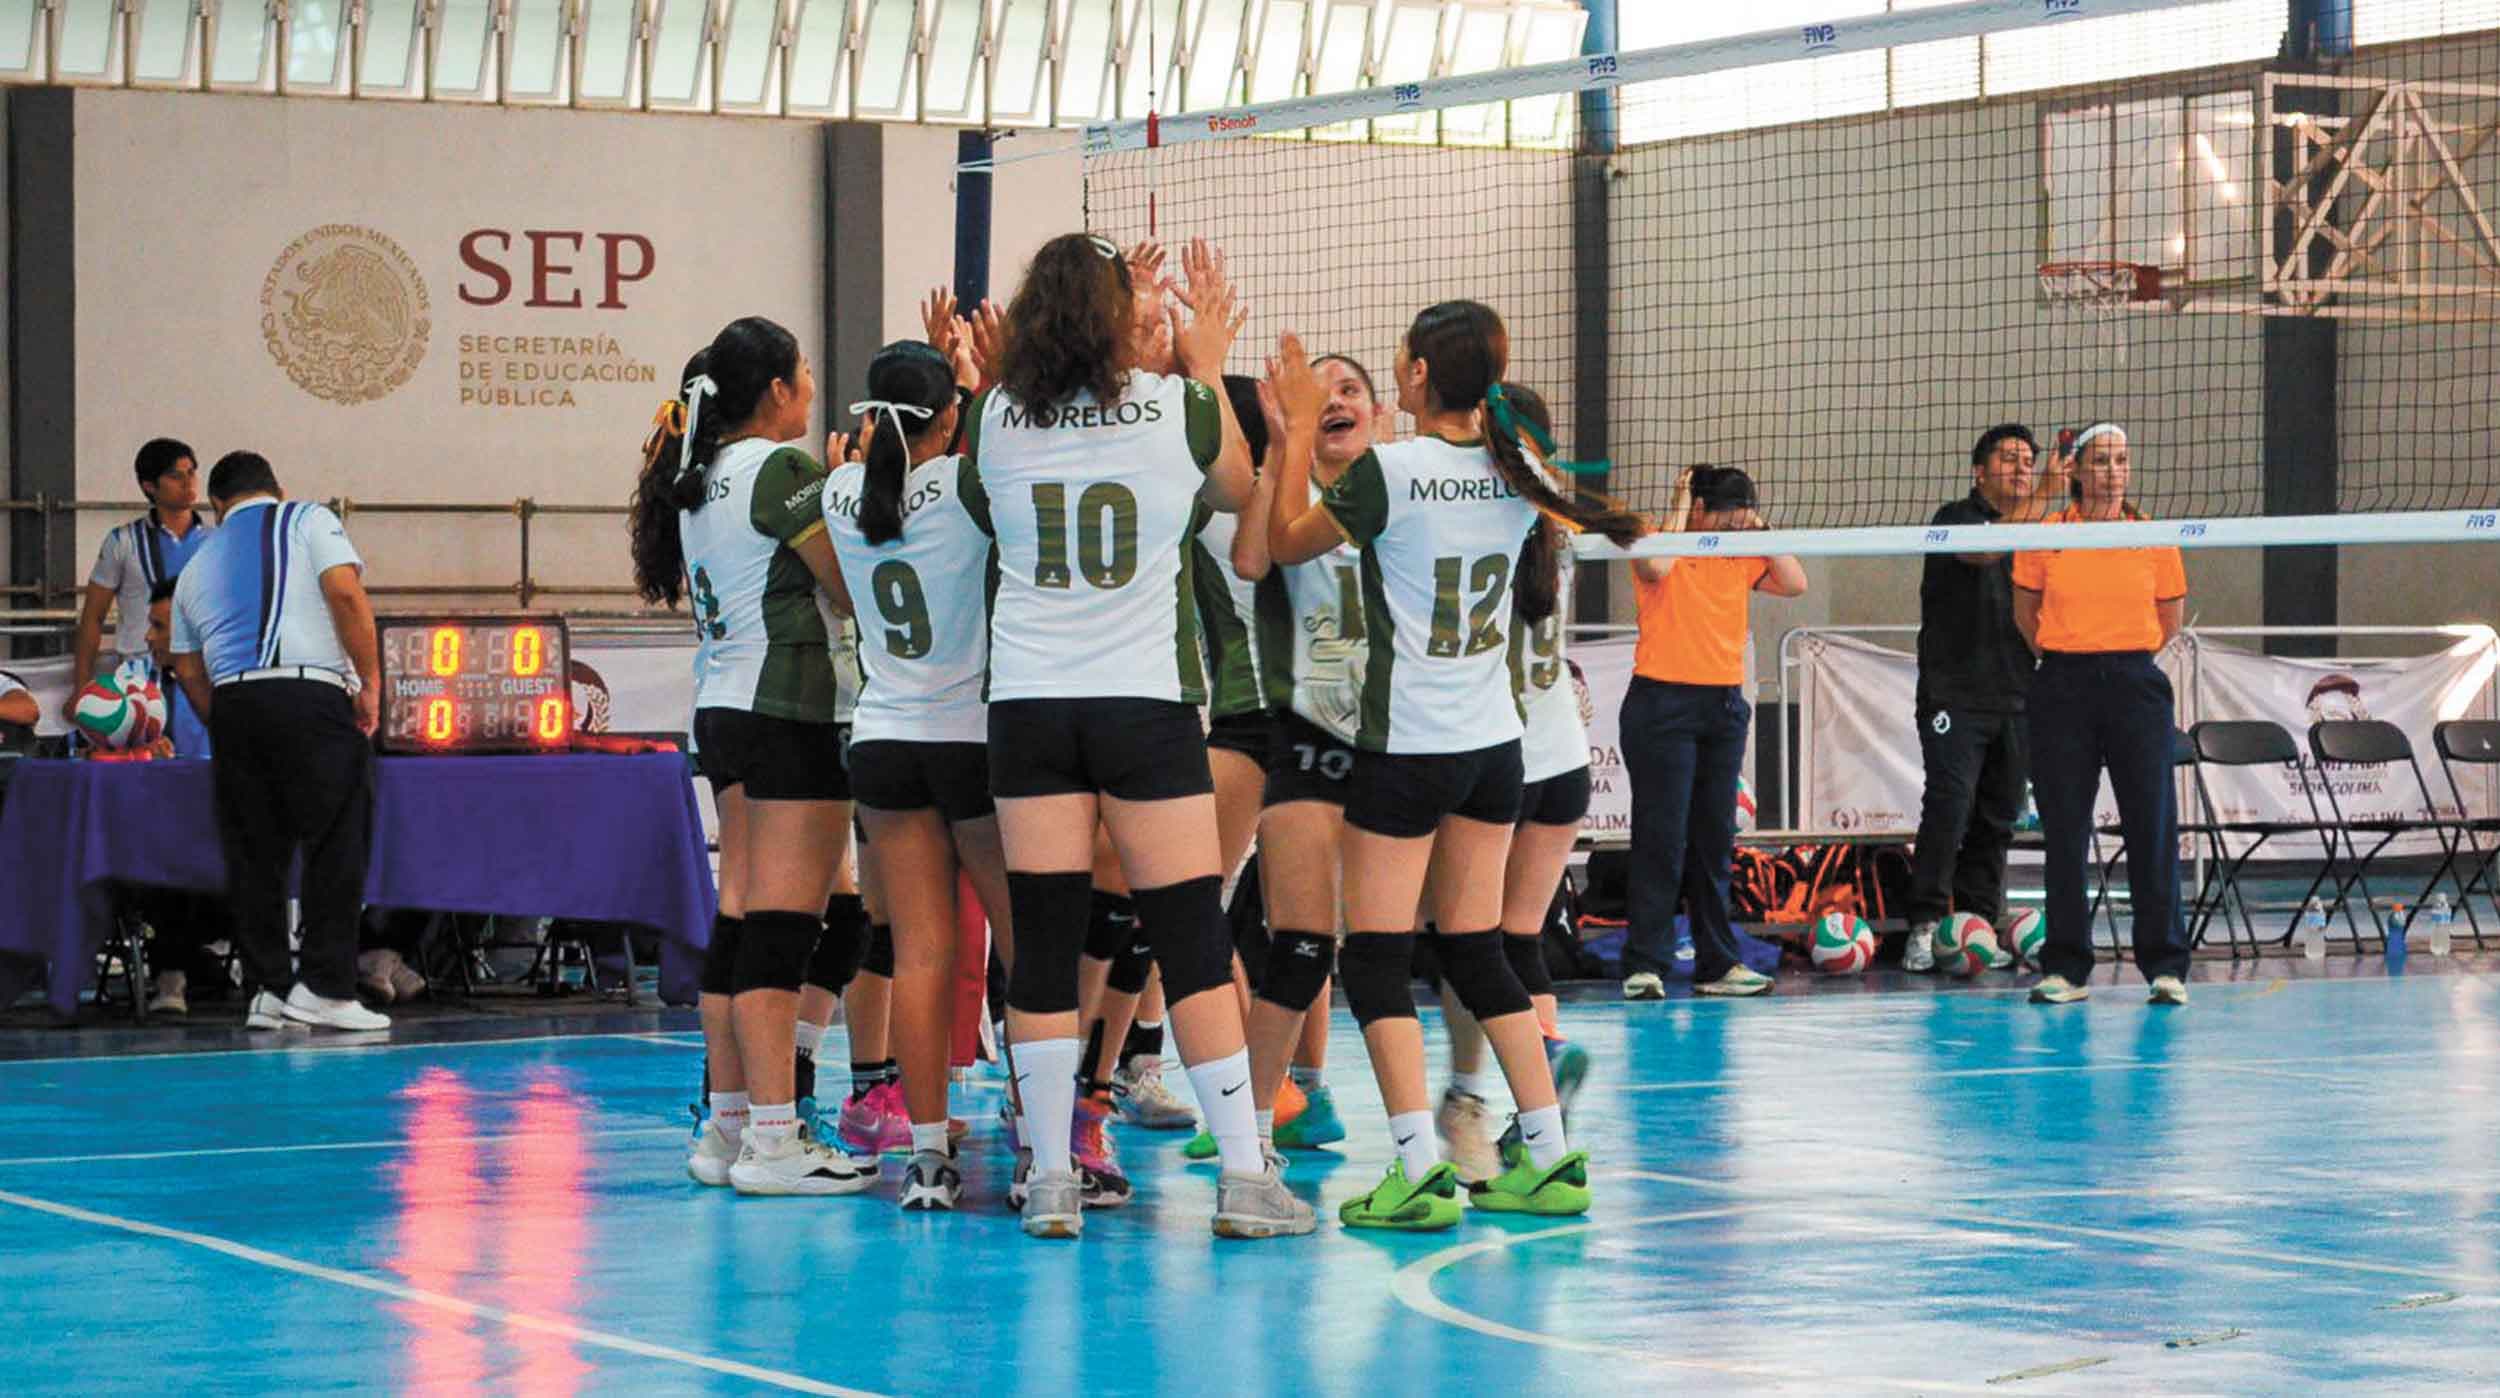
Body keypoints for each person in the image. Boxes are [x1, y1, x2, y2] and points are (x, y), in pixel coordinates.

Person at [1268, 304, 1645, 1228]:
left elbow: (1280, 545)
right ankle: (1550, 1160)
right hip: (1493, 752)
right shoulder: (1515, 475)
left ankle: (1416, 1172)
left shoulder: (1390, 472)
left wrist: (1293, 434)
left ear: (1419, 375)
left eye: (1401, 360)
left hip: (1406, 750)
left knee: (1376, 961)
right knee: (1479, 952)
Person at [964, 232, 1306, 1241]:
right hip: (1142, 706)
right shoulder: (1177, 408)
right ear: (1120, 319)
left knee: (1043, 943)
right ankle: (1243, 1179)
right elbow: (1238, 489)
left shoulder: (995, 417)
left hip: (1029, 706)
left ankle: (1049, 1179)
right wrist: (1204, 359)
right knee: (1191, 936)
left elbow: (984, 506)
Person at [629, 319, 874, 1197]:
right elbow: (850, 587)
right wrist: (856, 491)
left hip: (726, 708)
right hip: (789, 707)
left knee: (746, 917)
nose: (810, 385)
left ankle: (729, 1125)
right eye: (803, 371)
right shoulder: (779, 471)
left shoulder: (700, 477)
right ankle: (776, 1136)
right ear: (775, 389)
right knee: (784, 922)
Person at [823, 321, 1019, 1211]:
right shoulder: (970, 488)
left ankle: (929, 1158)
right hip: (967, 738)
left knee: (920, 953)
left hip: (883, 742)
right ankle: (1044, 1138)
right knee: (1022, 941)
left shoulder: (840, 490)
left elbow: (886, 466)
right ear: (948, 420)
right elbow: (1000, 462)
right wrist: (985, 382)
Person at [165, 451, 385, 1033]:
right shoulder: (307, 518)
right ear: (278, 489)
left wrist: (226, 720)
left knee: (254, 854)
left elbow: (186, 667)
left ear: (217, 504)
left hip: (233, 705)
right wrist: (370, 683)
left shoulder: (197, 562)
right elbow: (345, 595)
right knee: (335, 839)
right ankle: (326, 987)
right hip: (307, 694)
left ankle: (267, 989)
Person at [2011, 422, 2191, 1007]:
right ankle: (2067, 968)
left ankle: (2165, 966)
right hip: (2063, 683)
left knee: (2151, 824)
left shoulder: (2153, 536)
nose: (2114, 471)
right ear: (2078, 471)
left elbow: (2169, 620)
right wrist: (2071, 653)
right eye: (2102, 461)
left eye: (2121, 460)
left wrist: (2119, 654)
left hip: (2136, 683)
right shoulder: (2046, 536)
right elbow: (2025, 614)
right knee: (2065, 829)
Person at [1618, 466, 1807, 1001]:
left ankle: (1718, 963)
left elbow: (1795, 582)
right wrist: (1682, 506)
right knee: (1661, 838)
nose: (1737, 522)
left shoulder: (1740, 553)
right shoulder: (1658, 538)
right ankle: (1646, 964)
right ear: (1699, 509)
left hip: (1723, 705)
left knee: (1714, 841)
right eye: (1728, 512)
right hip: (1662, 704)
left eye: (1743, 513)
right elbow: (1654, 567)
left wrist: (1757, 526)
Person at [1905, 424, 2064, 973]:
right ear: (1979, 471)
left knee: (1998, 819)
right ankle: (1926, 924)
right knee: (1950, 807)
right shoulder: (1955, 519)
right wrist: (2045, 494)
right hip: (1954, 696)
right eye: (2009, 459)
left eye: (2029, 461)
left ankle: (1974, 924)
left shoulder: (2039, 535)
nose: (2023, 468)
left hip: (2017, 696)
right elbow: (1982, 552)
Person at [68, 439, 214, 718]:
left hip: (202, 671)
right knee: (144, 746)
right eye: (175, 476)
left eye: (191, 472)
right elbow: (93, 618)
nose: (188, 482)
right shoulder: (123, 541)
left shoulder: (218, 541)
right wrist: (81, 690)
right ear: (149, 486)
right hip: (139, 679)